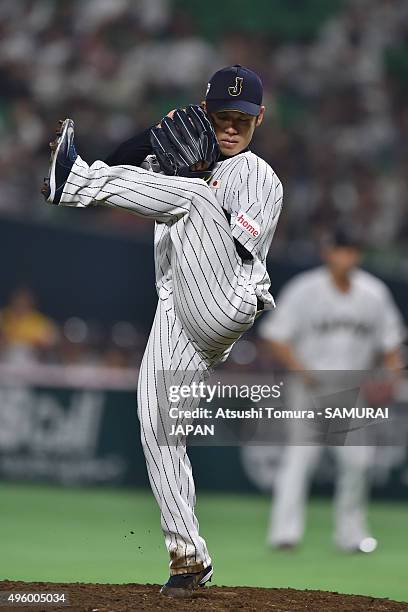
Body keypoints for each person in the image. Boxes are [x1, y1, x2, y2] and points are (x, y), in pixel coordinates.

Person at [42, 65, 283, 597]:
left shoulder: (259, 175)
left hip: (226, 300)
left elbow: (234, 243)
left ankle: (74, 183)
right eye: (220, 116)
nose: (229, 128)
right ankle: (189, 559)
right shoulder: (186, 146)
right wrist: (154, 138)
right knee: (155, 423)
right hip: (176, 309)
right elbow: (124, 160)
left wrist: (189, 181)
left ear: (258, 119)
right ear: (205, 111)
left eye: (241, 119)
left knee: (194, 199)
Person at [258, 229, 405, 553]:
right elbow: (275, 336)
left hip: (350, 391)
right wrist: (302, 370)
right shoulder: (305, 289)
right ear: (329, 253)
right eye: (341, 250)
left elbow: (391, 341)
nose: (346, 257)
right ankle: (285, 534)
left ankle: (351, 535)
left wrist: (393, 378)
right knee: (300, 460)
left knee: (358, 463)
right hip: (309, 387)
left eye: (352, 251)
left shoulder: (373, 293)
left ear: (358, 255)